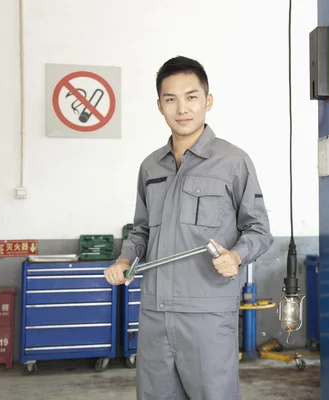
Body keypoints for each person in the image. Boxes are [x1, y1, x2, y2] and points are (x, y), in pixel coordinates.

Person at [104, 56, 274, 400]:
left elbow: (259, 229)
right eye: (171, 99)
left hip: (207, 313)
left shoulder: (233, 162)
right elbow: (141, 231)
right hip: (154, 311)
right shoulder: (150, 166)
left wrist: (237, 256)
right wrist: (125, 261)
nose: (182, 108)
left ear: (208, 101)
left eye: (191, 97)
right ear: (159, 106)